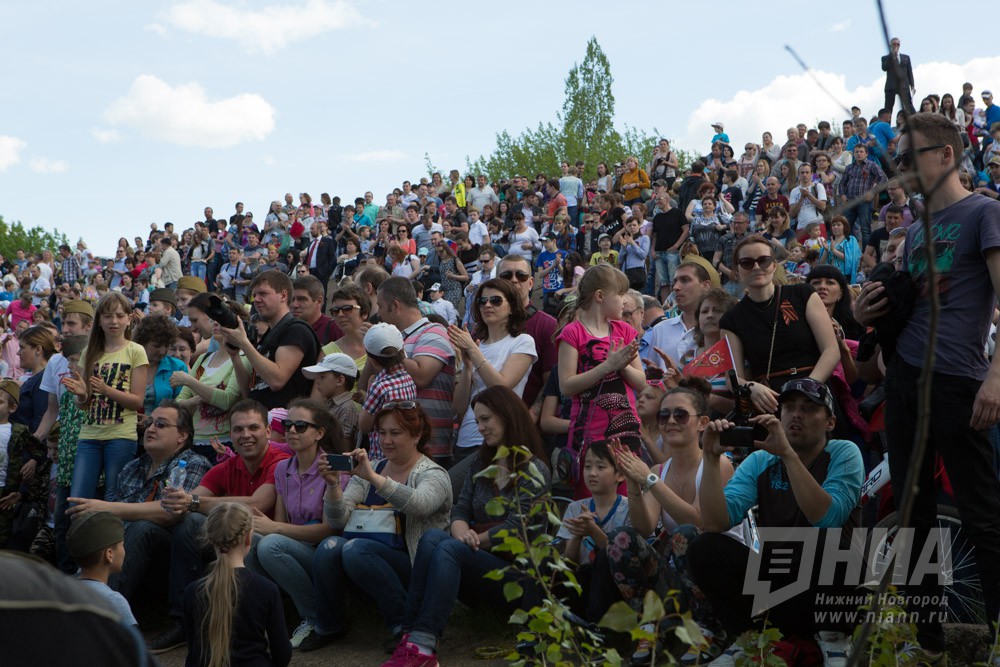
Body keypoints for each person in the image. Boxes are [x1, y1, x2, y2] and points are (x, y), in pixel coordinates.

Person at [854, 112, 1000, 660]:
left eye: (908, 156)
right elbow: (906, 308)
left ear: (945, 155)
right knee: (913, 518)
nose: (900, 168)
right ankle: (929, 642)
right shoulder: (914, 231)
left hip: (959, 379)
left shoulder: (985, 212)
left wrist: (997, 378)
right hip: (904, 382)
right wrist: (866, 313)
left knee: (982, 514)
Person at [687, 379, 864, 665]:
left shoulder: (844, 452)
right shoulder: (761, 460)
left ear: (830, 422)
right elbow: (715, 522)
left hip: (833, 594)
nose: (796, 415)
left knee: (827, 542)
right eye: (789, 407)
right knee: (704, 547)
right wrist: (709, 458)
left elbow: (828, 519)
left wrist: (788, 455)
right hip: (781, 588)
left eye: (809, 408)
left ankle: (835, 639)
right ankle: (750, 640)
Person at [384, 386, 551, 666]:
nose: (480, 427)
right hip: (478, 562)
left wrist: (471, 541)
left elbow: (517, 527)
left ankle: (424, 648)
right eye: (477, 420)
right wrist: (461, 533)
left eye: (486, 419)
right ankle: (410, 636)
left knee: (449, 548)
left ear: (507, 415)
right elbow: (460, 508)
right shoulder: (481, 463)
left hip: (517, 579)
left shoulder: (535, 469)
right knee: (432, 538)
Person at [603, 381, 737, 664]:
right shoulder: (659, 470)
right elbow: (644, 528)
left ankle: (711, 630)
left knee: (687, 534)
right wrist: (634, 481)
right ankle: (651, 625)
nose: (671, 421)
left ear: (702, 423)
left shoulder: (718, 463)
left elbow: (700, 521)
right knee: (620, 538)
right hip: (679, 578)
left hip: (720, 581)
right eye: (664, 415)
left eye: (681, 414)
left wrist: (650, 480)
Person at [303, 402, 452, 652]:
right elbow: (338, 520)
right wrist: (333, 485)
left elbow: (420, 505)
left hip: (413, 565)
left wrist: (374, 478)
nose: (386, 440)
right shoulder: (373, 467)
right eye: (382, 433)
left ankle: (403, 625)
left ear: (417, 435)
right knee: (330, 546)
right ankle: (328, 626)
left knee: (354, 549)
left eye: (395, 433)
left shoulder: (433, 473)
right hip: (365, 557)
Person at [66, 401, 210, 613]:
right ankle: (78, 593)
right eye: (149, 423)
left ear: (182, 435)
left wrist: (108, 508)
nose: (150, 429)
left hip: (173, 562)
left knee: (144, 527)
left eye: (161, 425)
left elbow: (170, 514)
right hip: (126, 556)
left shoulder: (193, 463)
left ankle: (97, 612)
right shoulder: (133, 466)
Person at [245, 399, 343, 648]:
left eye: (300, 426)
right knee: (248, 541)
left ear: (319, 433)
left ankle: (316, 617)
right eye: (287, 425)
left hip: (325, 552)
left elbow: (331, 529)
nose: (291, 431)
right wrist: (269, 527)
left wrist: (274, 528)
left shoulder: (332, 468)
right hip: (295, 546)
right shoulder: (283, 469)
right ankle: (276, 614)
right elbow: (281, 522)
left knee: (270, 544)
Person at [719, 235, 839, 415]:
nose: (756, 267)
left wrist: (806, 387)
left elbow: (831, 350)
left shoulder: (803, 293)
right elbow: (733, 377)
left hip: (814, 392)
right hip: (770, 401)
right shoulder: (731, 319)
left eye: (764, 260)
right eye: (747, 263)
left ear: (774, 265)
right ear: (737, 270)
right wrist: (751, 387)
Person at [557, 265, 646, 499]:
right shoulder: (573, 333)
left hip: (626, 431)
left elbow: (641, 382)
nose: (625, 301)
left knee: (628, 499)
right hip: (589, 434)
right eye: (620, 294)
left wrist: (621, 365)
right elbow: (566, 386)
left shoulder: (624, 330)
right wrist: (606, 366)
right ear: (600, 296)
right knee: (592, 502)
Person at [183, 502, 292, 667]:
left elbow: (193, 651)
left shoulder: (192, 592)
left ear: (210, 539)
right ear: (249, 537)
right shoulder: (266, 589)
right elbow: (282, 652)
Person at [63, 292, 148, 503]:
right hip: (89, 435)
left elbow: (137, 401)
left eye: (119, 315)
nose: (114, 321)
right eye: (108, 316)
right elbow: (83, 404)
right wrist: (82, 395)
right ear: (99, 320)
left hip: (121, 435)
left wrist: (106, 390)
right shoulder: (89, 352)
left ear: (129, 318)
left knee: (114, 498)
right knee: (78, 497)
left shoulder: (136, 351)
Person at [375, 277, 456, 462]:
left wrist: (385, 346)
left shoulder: (434, 331)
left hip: (430, 449)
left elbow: (421, 376)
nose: (378, 313)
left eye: (380, 306)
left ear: (395, 305)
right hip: (394, 449)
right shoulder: (396, 338)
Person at [222, 270, 320, 410]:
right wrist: (234, 355)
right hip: (259, 416)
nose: (256, 299)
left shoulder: (296, 330)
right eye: (254, 295)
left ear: (283, 295)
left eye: (263, 294)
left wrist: (244, 343)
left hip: (284, 420)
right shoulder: (269, 335)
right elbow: (249, 392)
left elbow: (277, 381)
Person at [65, 511, 137, 627]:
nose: (124, 551)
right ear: (109, 554)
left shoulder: (63, 589)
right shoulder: (113, 601)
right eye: (122, 546)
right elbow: (131, 638)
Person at [0, 379, 45, 546]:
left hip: (5, 493)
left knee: (3, 535)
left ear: (12, 408)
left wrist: (32, 461)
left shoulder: (19, 431)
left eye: (0, 402)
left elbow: (39, 450)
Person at [134, 314, 187, 414]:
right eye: (156, 345)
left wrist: (151, 419)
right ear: (142, 342)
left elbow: (181, 408)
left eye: (167, 345)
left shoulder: (177, 367)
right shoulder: (127, 363)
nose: (162, 351)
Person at [12, 325, 57, 434]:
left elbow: (39, 420)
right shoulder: (36, 378)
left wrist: (30, 442)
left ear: (38, 350)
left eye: (22, 347)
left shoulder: (43, 380)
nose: (18, 353)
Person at [321, 283, 370, 372]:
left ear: (365, 312)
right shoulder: (327, 352)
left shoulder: (381, 345)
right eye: (335, 311)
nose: (340, 314)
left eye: (347, 309)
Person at [291, 275, 343, 346]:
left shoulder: (334, 329)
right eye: (292, 299)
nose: (294, 305)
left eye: (302, 299)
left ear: (318, 301)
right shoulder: (288, 329)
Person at [818, 215, 861, 283]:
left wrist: (834, 250)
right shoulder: (828, 243)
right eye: (833, 225)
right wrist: (826, 250)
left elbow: (851, 260)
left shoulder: (850, 240)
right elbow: (821, 264)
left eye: (838, 225)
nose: (835, 227)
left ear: (845, 227)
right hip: (829, 277)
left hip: (844, 278)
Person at [881, 36, 915, 116]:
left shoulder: (906, 57)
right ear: (890, 45)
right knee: (888, 108)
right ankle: (886, 123)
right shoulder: (885, 58)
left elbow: (909, 72)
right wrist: (892, 56)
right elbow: (884, 68)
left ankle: (913, 121)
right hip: (891, 86)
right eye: (894, 44)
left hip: (904, 86)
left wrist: (912, 85)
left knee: (909, 106)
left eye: (897, 44)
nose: (896, 46)